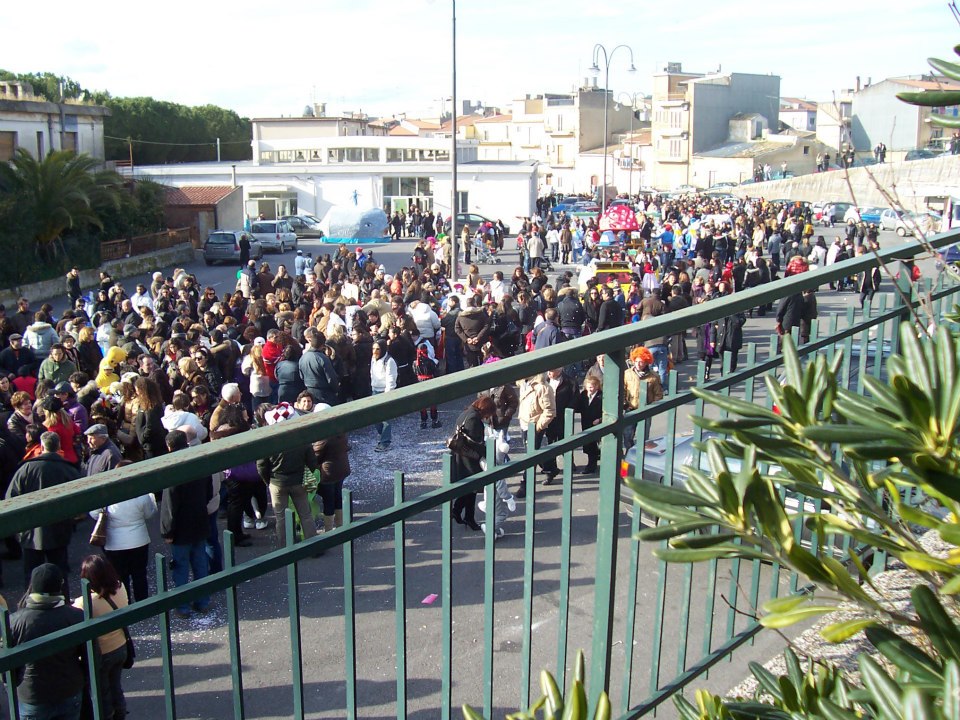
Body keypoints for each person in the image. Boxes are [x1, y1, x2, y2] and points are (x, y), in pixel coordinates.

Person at [8, 564, 87, 720]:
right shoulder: (76, 616)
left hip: (32, 695)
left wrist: (15, 685)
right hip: (68, 689)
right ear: (60, 585)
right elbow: (90, 656)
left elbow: (7, 669)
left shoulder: (15, 621)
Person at [6, 431, 80, 595]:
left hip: (30, 532)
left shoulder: (26, 468)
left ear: (41, 446)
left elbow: (11, 498)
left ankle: (32, 606)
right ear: (59, 446)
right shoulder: (67, 469)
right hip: (59, 530)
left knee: (31, 576)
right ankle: (63, 602)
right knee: (60, 572)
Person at [161, 430, 212, 617]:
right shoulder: (198, 461)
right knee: (200, 563)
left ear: (169, 446)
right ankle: (202, 600)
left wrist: (167, 531)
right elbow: (208, 489)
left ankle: (182, 606)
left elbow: (170, 504)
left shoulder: (172, 467)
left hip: (181, 527)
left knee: (180, 567)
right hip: (199, 521)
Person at [90, 460, 157, 603]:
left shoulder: (106, 493)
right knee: (139, 574)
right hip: (139, 540)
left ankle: (124, 603)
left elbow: (94, 513)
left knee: (120, 577)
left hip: (114, 544)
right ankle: (143, 602)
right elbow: (149, 513)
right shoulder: (141, 492)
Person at [72, 555, 130, 720]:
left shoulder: (85, 602)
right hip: (120, 646)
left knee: (101, 692)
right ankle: (120, 714)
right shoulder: (120, 588)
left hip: (101, 653)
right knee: (116, 686)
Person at [256, 402, 319, 544]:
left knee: (281, 517)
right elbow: (312, 462)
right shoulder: (302, 439)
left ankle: (286, 547)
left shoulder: (268, 441)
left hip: (277, 482)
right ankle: (313, 545)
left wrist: (269, 481)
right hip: (298, 481)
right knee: (305, 515)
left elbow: (261, 465)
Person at [450, 396, 496, 532]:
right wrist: (488, 452)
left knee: (470, 488)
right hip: (468, 459)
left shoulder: (466, 412)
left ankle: (461, 514)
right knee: (472, 487)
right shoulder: (474, 419)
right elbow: (475, 443)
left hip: (461, 456)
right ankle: (463, 515)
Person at [517, 373, 557, 496]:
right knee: (534, 452)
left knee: (530, 456)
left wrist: (538, 427)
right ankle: (551, 468)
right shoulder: (524, 383)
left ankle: (525, 485)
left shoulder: (543, 387)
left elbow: (550, 410)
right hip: (524, 423)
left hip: (534, 425)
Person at [370, 341, 397, 452]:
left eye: (377, 349)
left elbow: (391, 378)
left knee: (385, 419)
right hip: (375, 391)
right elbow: (372, 374)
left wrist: (387, 395)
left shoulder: (389, 361)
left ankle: (385, 442)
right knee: (375, 418)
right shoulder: (373, 359)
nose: (375, 351)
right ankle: (383, 436)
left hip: (384, 392)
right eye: (373, 348)